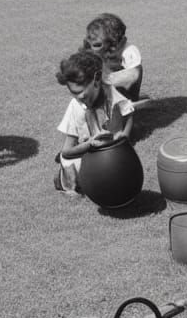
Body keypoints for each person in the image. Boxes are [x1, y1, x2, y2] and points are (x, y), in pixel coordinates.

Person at [54, 50, 135, 196]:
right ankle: (63, 180)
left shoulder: (110, 94)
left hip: (106, 154)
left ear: (97, 79)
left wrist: (124, 137)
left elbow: (128, 113)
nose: (79, 97)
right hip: (83, 156)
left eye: (82, 91)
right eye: (74, 93)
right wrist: (89, 144)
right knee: (82, 180)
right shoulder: (76, 107)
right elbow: (66, 152)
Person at [83, 14, 143, 103]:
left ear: (113, 42)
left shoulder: (128, 51)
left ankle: (129, 102)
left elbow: (135, 74)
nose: (92, 48)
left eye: (97, 45)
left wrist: (108, 80)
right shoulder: (93, 50)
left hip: (123, 92)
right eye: (90, 42)